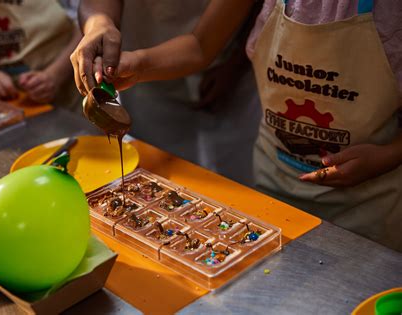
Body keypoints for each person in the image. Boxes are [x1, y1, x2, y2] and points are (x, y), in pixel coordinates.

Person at [73, 0, 402, 252]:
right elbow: (201, 45)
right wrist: (138, 62)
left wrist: (389, 155)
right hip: (274, 183)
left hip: (365, 209)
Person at [70, 0, 263, 186]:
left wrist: (236, 63)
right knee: (154, 175)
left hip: (227, 77)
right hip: (146, 86)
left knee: (232, 184)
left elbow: (200, 47)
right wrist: (99, 24)